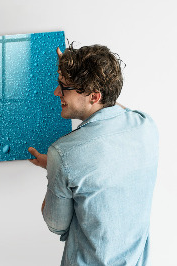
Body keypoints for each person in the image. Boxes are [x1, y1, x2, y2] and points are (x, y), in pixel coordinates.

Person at [28, 44, 158, 265]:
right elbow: (111, 106)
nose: (56, 92)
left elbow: (56, 225)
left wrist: (56, 169)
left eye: (64, 86)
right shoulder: (146, 126)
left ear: (94, 96)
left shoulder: (63, 153)